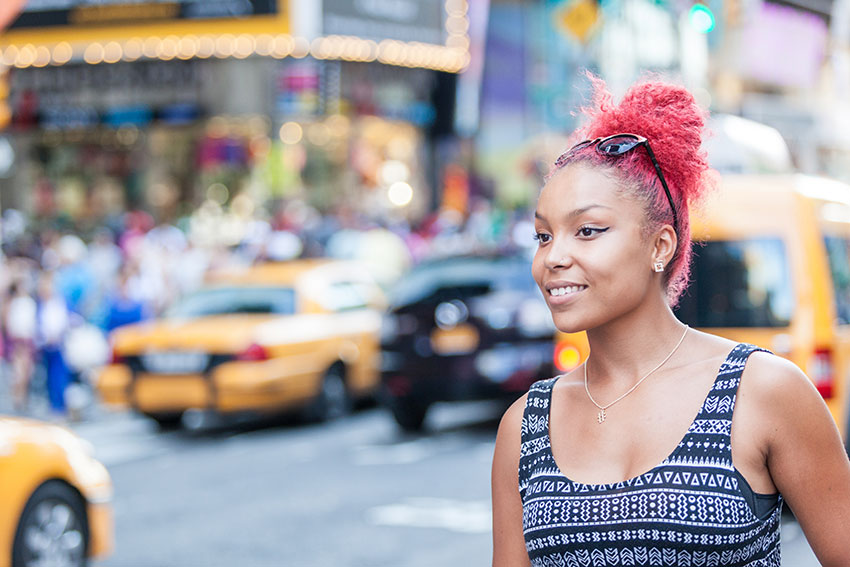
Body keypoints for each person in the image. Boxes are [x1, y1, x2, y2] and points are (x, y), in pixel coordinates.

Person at [491, 76, 850, 566]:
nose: (554, 257)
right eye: (543, 236)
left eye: (588, 230)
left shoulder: (762, 390)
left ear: (661, 245)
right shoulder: (524, 426)